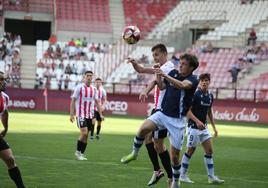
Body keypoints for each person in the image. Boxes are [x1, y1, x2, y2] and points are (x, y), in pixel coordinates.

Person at [121, 53, 199, 188]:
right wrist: (159, 75)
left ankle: (175, 181)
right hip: (163, 114)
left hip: (177, 121)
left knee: (174, 157)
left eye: (184, 64)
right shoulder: (174, 72)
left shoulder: (193, 79)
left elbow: (182, 85)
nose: (180, 65)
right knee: (143, 129)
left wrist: (163, 74)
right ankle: (134, 153)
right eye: (180, 63)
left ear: (191, 68)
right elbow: (162, 86)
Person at [126, 44, 174, 186]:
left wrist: (137, 64)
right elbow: (148, 76)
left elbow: (155, 80)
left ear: (165, 54)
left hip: (164, 111)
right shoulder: (161, 68)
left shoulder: (169, 67)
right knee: (149, 139)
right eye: (153, 56)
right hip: (157, 110)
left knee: (158, 144)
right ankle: (158, 171)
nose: (155, 58)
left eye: (157, 55)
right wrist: (145, 91)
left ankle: (171, 177)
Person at [180, 73, 224, 184]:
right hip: (193, 127)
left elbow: (209, 112)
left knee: (209, 151)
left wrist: (214, 128)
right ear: (200, 82)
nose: (204, 82)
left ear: (210, 82)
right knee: (190, 150)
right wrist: (197, 121)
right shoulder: (195, 95)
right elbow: (187, 111)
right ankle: (182, 175)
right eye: (202, 80)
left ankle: (211, 177)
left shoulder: (210, 96)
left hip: (204, 128)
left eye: (207, 80)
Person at [70, 71, 104, 160]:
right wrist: (71, 114)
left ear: (92, 78)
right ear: (84, 77)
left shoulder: (94, 89)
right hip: (80, 115)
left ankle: (81, 154)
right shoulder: (79, 88)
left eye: (90, 76)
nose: (89, 77)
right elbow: (73, 100)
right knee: (84, 133)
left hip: (90, 115)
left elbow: (97, 102)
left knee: (86, 135)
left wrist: (100, 114)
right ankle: (77, 152)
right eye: (87, 76)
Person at [0, 71, 25, 188]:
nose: (3, 82)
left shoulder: (4, 98)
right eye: (1, 79)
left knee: (10, 159)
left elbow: (4, 112)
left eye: (4, 79)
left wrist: (5, 128)